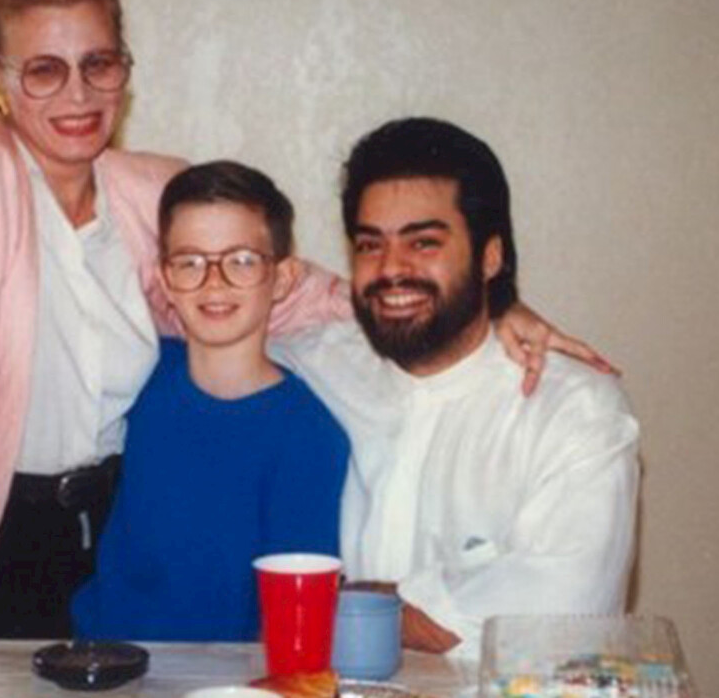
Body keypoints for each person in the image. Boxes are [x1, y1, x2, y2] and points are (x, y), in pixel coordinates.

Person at [0, 0, 608, 647]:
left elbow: (298, 287)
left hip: (114, 529)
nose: (78, 95)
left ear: (124, 70)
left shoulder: (150, 191)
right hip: (1, 531)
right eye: (44, 70)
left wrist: (491, 307)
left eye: (99, 64)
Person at [274, 117, 640, 658]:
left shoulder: (573, 409)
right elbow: (201, 295)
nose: (391, 270)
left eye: (424, 243)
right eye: (370, 245)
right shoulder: (315, 361)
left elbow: (563, 612)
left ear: (490, 256)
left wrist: (338, 602)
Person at [69, 161, 348, 641]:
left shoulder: (308, 435)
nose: (213, 283)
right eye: (190, 263)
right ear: (165, 278)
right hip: (101, 656)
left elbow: (294, 615)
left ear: (282, 278)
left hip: (227, 672)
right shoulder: (140, 373)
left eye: (241, 260)